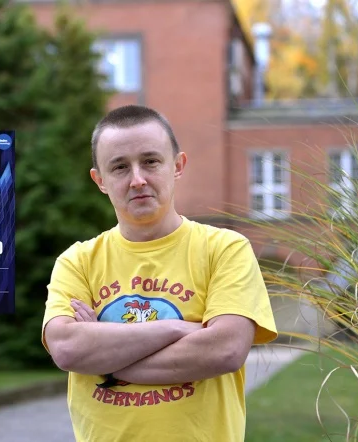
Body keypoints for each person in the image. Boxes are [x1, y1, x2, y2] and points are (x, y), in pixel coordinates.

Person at [41, 105, 278, 442]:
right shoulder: (77, 261)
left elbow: (225, 349)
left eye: (150, 161)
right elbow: (67, 349)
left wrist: (104, 360)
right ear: (100, 180)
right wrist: (178, 329)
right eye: (120, 167)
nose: (137, 179)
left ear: (177, 165)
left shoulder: (225, 249)